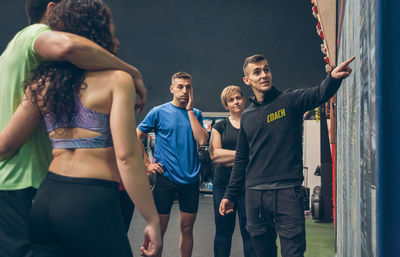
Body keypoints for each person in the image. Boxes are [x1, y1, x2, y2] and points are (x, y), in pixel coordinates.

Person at [0, 1, 161, 256]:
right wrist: (152, 220)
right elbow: (127, 158)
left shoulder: (42, 83)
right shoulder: (118, 79)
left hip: (46, 198)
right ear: (100, 34)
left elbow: (5, 144)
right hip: (90, 199)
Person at [219, 54, 355, 257]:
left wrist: (333, 79)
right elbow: (241, 159)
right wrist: (230, 194)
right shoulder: (247, 116)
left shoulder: (289, 100)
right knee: (263, 252)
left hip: (287, 194)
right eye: (257, 72)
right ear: (247, 80)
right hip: (255, 196)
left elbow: (318, 94)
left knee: (294, 253)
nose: (264, 74)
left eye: (266, 69)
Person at [136, 71, 209, 257]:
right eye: (180, 87)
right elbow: (136, 136)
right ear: (172, 89)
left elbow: (202, 140)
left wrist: (190, 110)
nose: (184, 91)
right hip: (165, 178)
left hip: (190, 179)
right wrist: (147, 164)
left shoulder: (196, 113)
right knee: (159, 229)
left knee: (187, 228)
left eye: (188, 87)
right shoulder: (158, 112)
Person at [209, 86, 256, 257]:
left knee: (249, 231)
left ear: (244, 100)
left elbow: (258, 152)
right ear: (226, 105)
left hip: (247, 185)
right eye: (231, 100)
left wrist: (229, 157)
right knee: (223, 230)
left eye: (238, 98)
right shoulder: (220, 125)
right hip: (223, 186)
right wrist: (244, 155)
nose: (236, 101)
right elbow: (215, 155)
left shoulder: (252, 123)